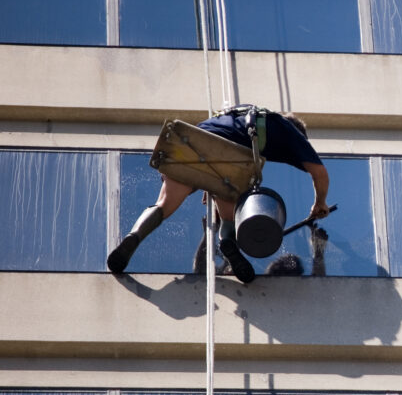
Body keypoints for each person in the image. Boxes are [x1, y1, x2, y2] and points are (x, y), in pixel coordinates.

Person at [107, 106, 329, 284]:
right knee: (230, 212)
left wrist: (206, 185)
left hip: (188, 143)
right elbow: (320, 174)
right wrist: (320, 203)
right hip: (229, 160)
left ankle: (132, 237)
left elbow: (214, 143)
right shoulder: (288, 129)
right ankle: (228, 244)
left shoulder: (237, 115)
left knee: (163, 205)